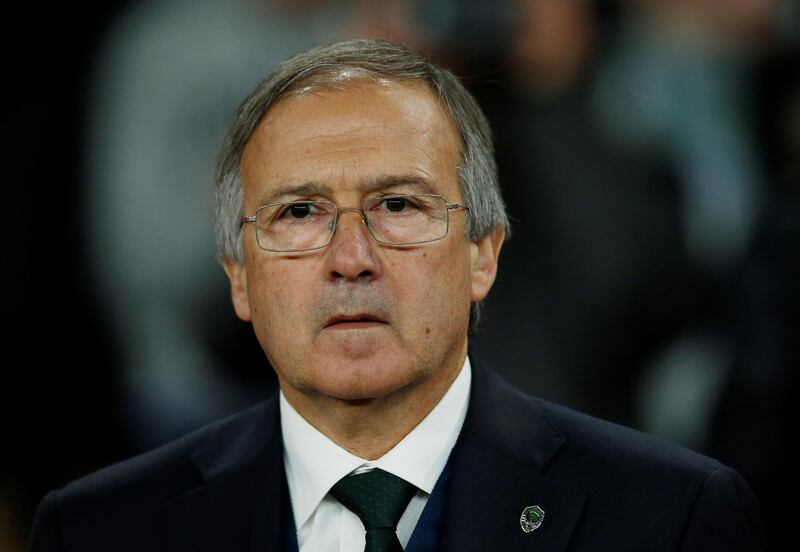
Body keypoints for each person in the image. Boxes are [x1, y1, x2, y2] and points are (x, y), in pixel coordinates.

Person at [28, 38, 764, 551]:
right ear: (240, 277)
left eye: (400, 207)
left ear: (484, 254)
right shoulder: (100, 531)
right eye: (298, 213)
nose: (351, 259)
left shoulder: (671, 519)